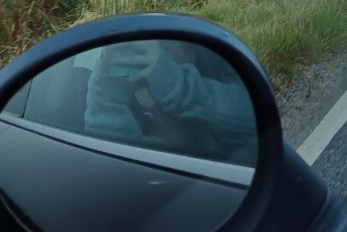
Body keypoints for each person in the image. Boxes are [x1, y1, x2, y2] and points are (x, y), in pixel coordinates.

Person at [84, 40, 257, 164]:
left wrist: (177, 84)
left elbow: (255, 120)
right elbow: (116, 168)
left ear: (191, 56)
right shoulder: (131, 123)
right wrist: (107, 100)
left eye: (162, 50)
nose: (142, 63)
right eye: (132, 55)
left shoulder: (219, 99)